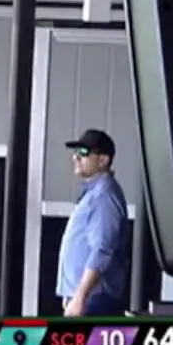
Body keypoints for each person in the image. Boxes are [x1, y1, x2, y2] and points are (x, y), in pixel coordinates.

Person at [57, 129, 130, 317]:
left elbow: (102, 249)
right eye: (75, 152)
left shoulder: (103, 195)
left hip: (95, 299)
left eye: (83, 152)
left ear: (103, 160)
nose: (75, 157)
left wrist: (80, 296)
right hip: (88, 299)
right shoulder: (94, 193)